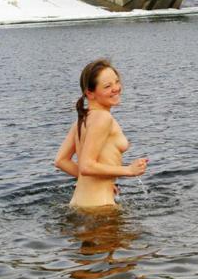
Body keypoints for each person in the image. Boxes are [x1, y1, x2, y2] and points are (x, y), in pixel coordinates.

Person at [55, 59, 148, 209]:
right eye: (107, 86)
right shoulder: (103, 118)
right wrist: (128, 170)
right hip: (100, 208)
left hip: (78, 205)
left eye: (116, 82)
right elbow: (86, 166)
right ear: (90, 93)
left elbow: (61, 160)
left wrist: (101, 182)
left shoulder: (82, 120)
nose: (116, 88)